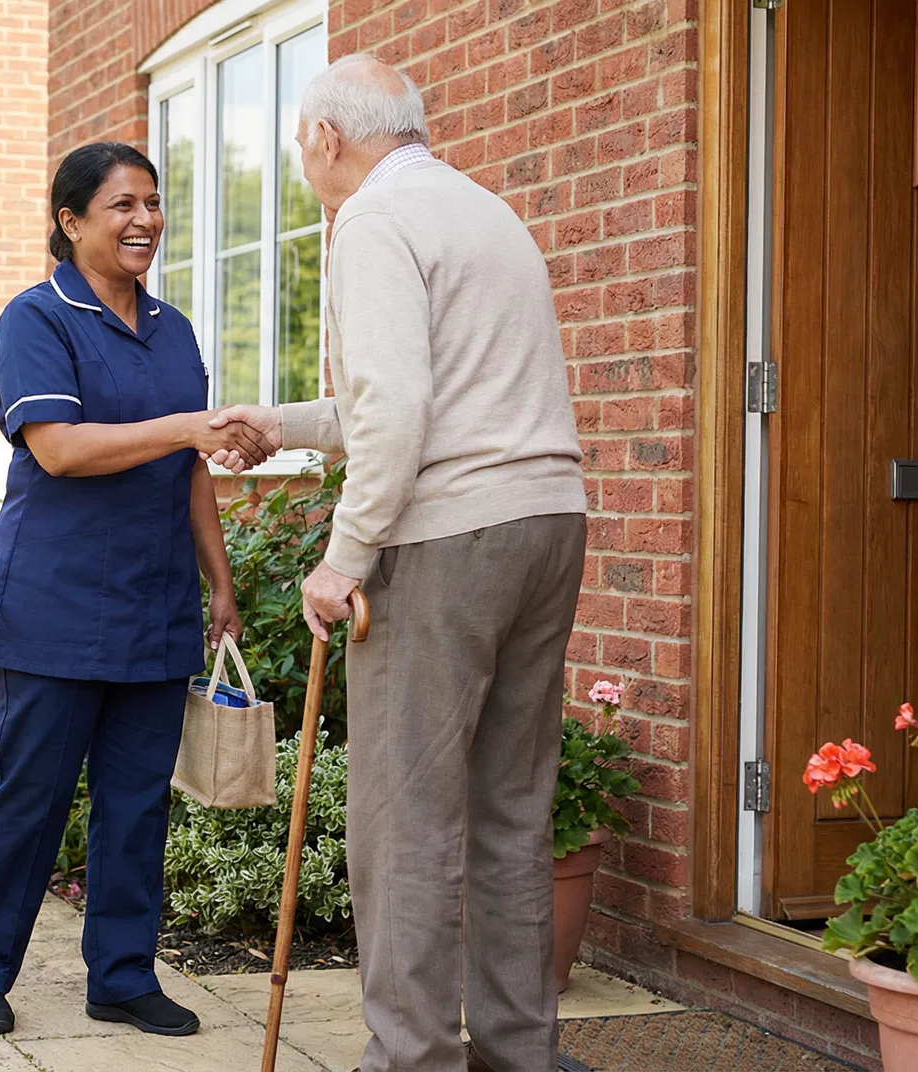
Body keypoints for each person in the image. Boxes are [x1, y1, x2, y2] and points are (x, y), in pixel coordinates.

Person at [211, 55, 588, 1072]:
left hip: (447, 541)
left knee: (405, 818)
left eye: (301, 146)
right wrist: (282, 423)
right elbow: (423, 393)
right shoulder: (482, 211)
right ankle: (517, 1054)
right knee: (510, 811)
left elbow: (400, 412)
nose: (305, 166)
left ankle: (412, 1060)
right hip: (548, 522)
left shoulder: (371, 220)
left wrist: (343, 559)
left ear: (328, 139)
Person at [0, 142, 274, 1038]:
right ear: (71, 220)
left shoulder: (174, 328)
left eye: (153, 203)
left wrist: (219, 583)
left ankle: (122, 976)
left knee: (137, 805)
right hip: (54, 606)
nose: (145, 220)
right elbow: (58, 448)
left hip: (156, 605)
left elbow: (191, 467)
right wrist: (185, 426)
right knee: (29, 796)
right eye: (123, 204)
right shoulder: (37, 319)